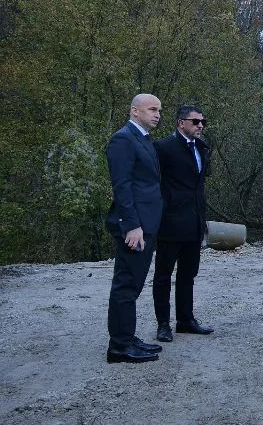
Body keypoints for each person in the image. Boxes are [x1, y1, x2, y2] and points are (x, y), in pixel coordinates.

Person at [104, 93, 164, 363]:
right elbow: (122, 186)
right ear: (134, 111)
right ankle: (119, 346)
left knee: (134, 284)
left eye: (159, 110)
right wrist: (132, 226)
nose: (157, 114)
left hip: (147, 223)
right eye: (152, 109)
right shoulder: (123, 140)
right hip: (135, 226)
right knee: (126, 285)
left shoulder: (143, 139)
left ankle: (126, 337)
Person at [153, 105, 214, 342]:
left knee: (188, 273)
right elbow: (152, 180)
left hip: (195, 221)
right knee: (163, 275)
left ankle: (185, 320)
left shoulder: (202, 147)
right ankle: (163, 324)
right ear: (181, 123)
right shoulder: (163, 147)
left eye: (203, 122)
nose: (200, 125)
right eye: (196, 121)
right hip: (169, 221)